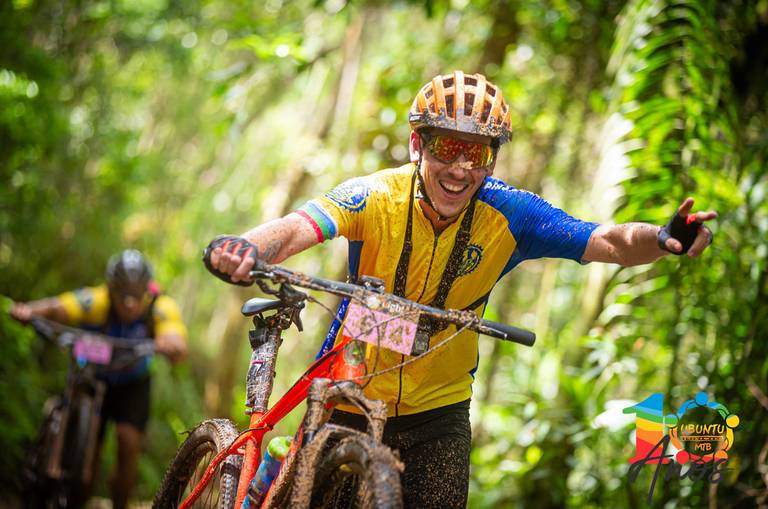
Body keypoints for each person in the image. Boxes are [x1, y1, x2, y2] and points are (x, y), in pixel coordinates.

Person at [205, 71, 716, 508]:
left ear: (492, 161)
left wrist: (661, 238)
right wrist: (243, 248)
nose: (460, 168)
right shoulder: (376, 196)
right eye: (447, 148)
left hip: (440, 410)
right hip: (351, 394)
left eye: (477, 153)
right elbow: (299, 227)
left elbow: (606, 241)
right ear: (417, 145)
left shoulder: (512, 214)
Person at [10, 249, 188, 509]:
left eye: (136, 294)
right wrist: (27, 311)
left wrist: (169, 344)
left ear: (147, 291)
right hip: (93, 378)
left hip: (133, 384)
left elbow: (177, 340)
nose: (129, 303)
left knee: (128, 443)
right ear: (111, 289)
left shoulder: (160, 308)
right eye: (122, 293)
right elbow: (58, 307)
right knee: (88, 453)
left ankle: (120, 503)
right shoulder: (96, 301)